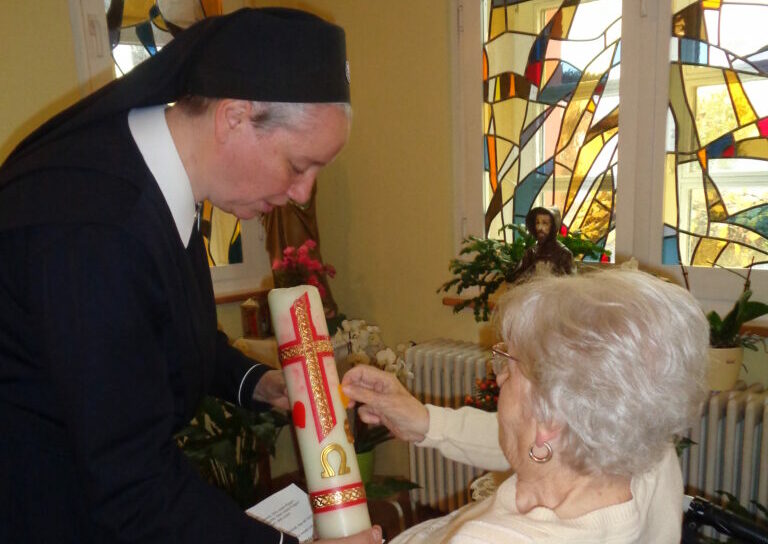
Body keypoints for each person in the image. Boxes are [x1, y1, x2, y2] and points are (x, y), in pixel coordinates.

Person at [0, 8, 380, 544]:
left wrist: (259, 384)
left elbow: (163, 332)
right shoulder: (98, 225)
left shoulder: (155, 177)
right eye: (300, 166)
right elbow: (134, 488)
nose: (303, 194)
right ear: (234, 117)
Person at [342, 269, 709, 543]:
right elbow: (544, 447)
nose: (499, 377)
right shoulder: (645, 451)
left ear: (549, 416)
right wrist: (423, 421)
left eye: (509, 364)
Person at [510, 206, 573, 282]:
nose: (540, 228)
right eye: (537, 223)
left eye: (545, 223)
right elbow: (515, 277)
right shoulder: (531, 253)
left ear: (553, 227)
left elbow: (570, 287)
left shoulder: (564, 254)